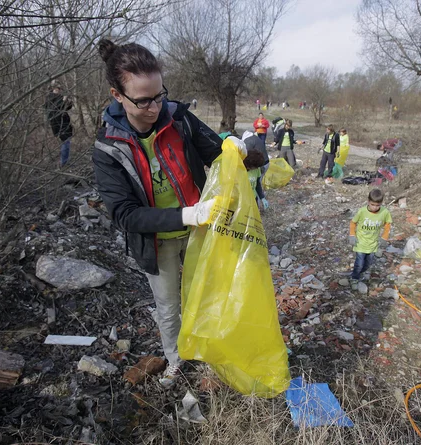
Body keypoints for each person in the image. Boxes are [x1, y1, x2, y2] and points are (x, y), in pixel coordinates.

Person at [92, 39, 247, 388]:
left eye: (159, 94)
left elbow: (216, 152)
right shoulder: (108, 147)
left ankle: (208, 351)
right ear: (117, 95)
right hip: (159, 241)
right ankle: (176, 359)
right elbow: (126, 215)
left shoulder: (177, 117)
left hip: (202, 233)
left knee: (207, 295)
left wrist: (235, 146)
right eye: (143, 99)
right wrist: (188, 215)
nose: (154, 106)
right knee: (168, 307)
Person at [348, 189, 392, 289]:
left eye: (378, 205)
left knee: (369, 262)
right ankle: (354, 277)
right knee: (359, 263)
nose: (375, 207)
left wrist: (384, 237)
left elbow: (388, 224)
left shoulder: (384, 212)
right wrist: (352, 235)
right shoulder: (362, 211)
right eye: (372, 204)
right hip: (361, 243)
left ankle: (363, 273)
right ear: (368, 201)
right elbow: (353, 222)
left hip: (373, 244)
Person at [44, 83, 73, 167]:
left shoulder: (58, 98)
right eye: (56, 89)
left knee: (66, 141)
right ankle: (64, 163)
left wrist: (68, 102)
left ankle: (64, 161)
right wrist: (63, 101)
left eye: (59, 89)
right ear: (52, 89)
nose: (58, 90)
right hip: (59, 123)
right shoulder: (50, 98)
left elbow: (65, 108)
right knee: (66, 141)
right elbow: (56, 110)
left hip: (63, 122)